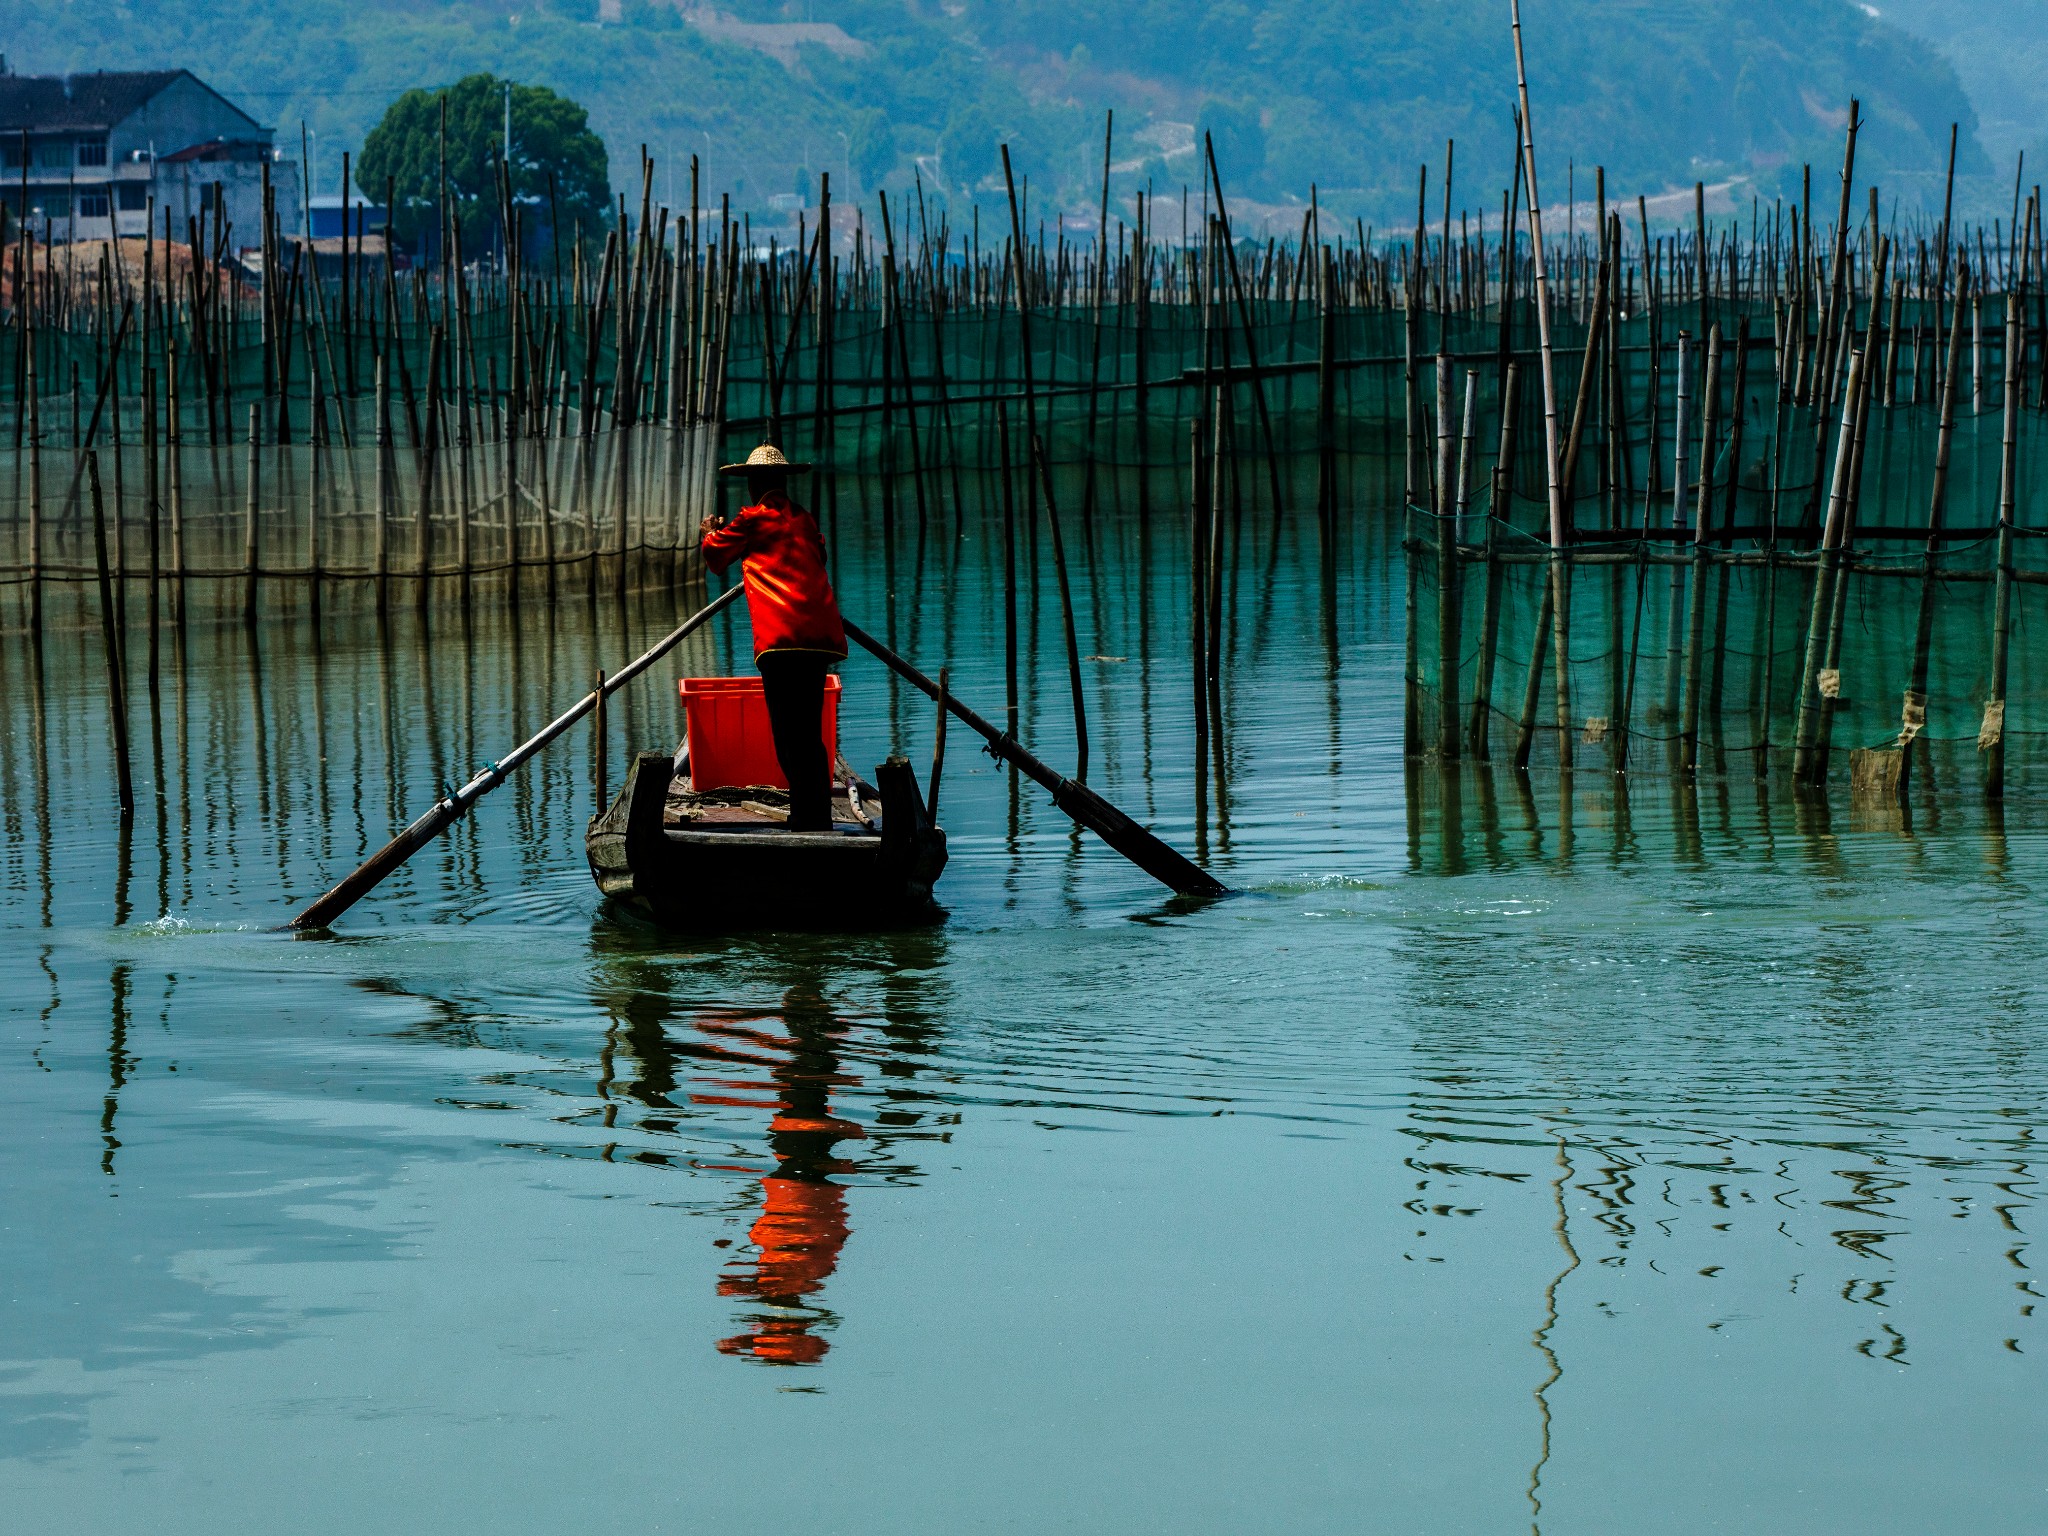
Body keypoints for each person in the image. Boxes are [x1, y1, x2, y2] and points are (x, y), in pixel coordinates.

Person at [699, 443, 846, 831]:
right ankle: (818, 819)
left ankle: (805, 820)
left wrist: (709, 533)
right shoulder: (805, 518)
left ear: (753, 484)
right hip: (818, 639)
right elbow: (820, 555)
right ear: (781, 481)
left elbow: (715, 556)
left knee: (786, 733)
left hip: (780, 641)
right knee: (809, 734)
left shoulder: (750, 518)